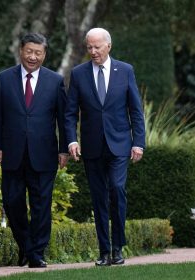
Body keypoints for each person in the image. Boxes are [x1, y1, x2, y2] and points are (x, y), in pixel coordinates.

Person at [65, 27, 146, 266]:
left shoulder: (125, 70)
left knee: (117, 190)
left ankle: (118, 248)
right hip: (91, 147)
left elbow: (136, 111)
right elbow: (70, 113)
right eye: (89, 47)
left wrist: (138, 143)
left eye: (97, 47)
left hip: (120, 144)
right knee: (98, 198)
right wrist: (71, 139)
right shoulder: (79, 74)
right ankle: (103, 251)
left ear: (108, 46)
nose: (93, 51)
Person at [0, 33, 68, 268]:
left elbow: (63, 119)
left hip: (44, 154)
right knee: (12, 202)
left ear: (44, 54)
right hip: (12, 153)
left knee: (41, 204)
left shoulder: (55, 81)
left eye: (38, 53)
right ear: (21, 51)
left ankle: (36, 254)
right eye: (29, 51)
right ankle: (26, 245)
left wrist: (64, 149)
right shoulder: (4, 79)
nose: (33, 57)